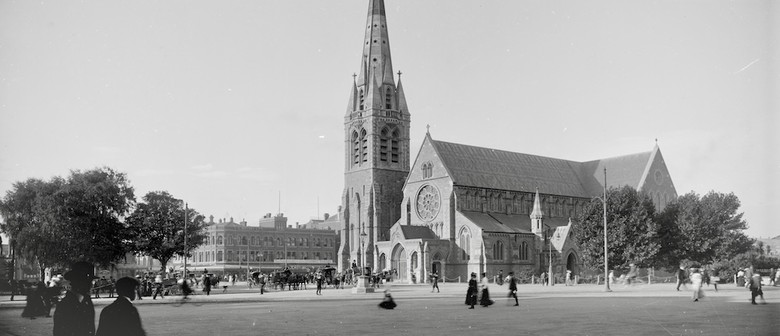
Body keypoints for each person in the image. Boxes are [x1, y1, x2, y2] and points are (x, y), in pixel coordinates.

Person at [53, 261, 98, 336]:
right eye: (87, 281)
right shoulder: (65, 305)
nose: (91, 285)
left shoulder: (87, 301)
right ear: (77, 281)